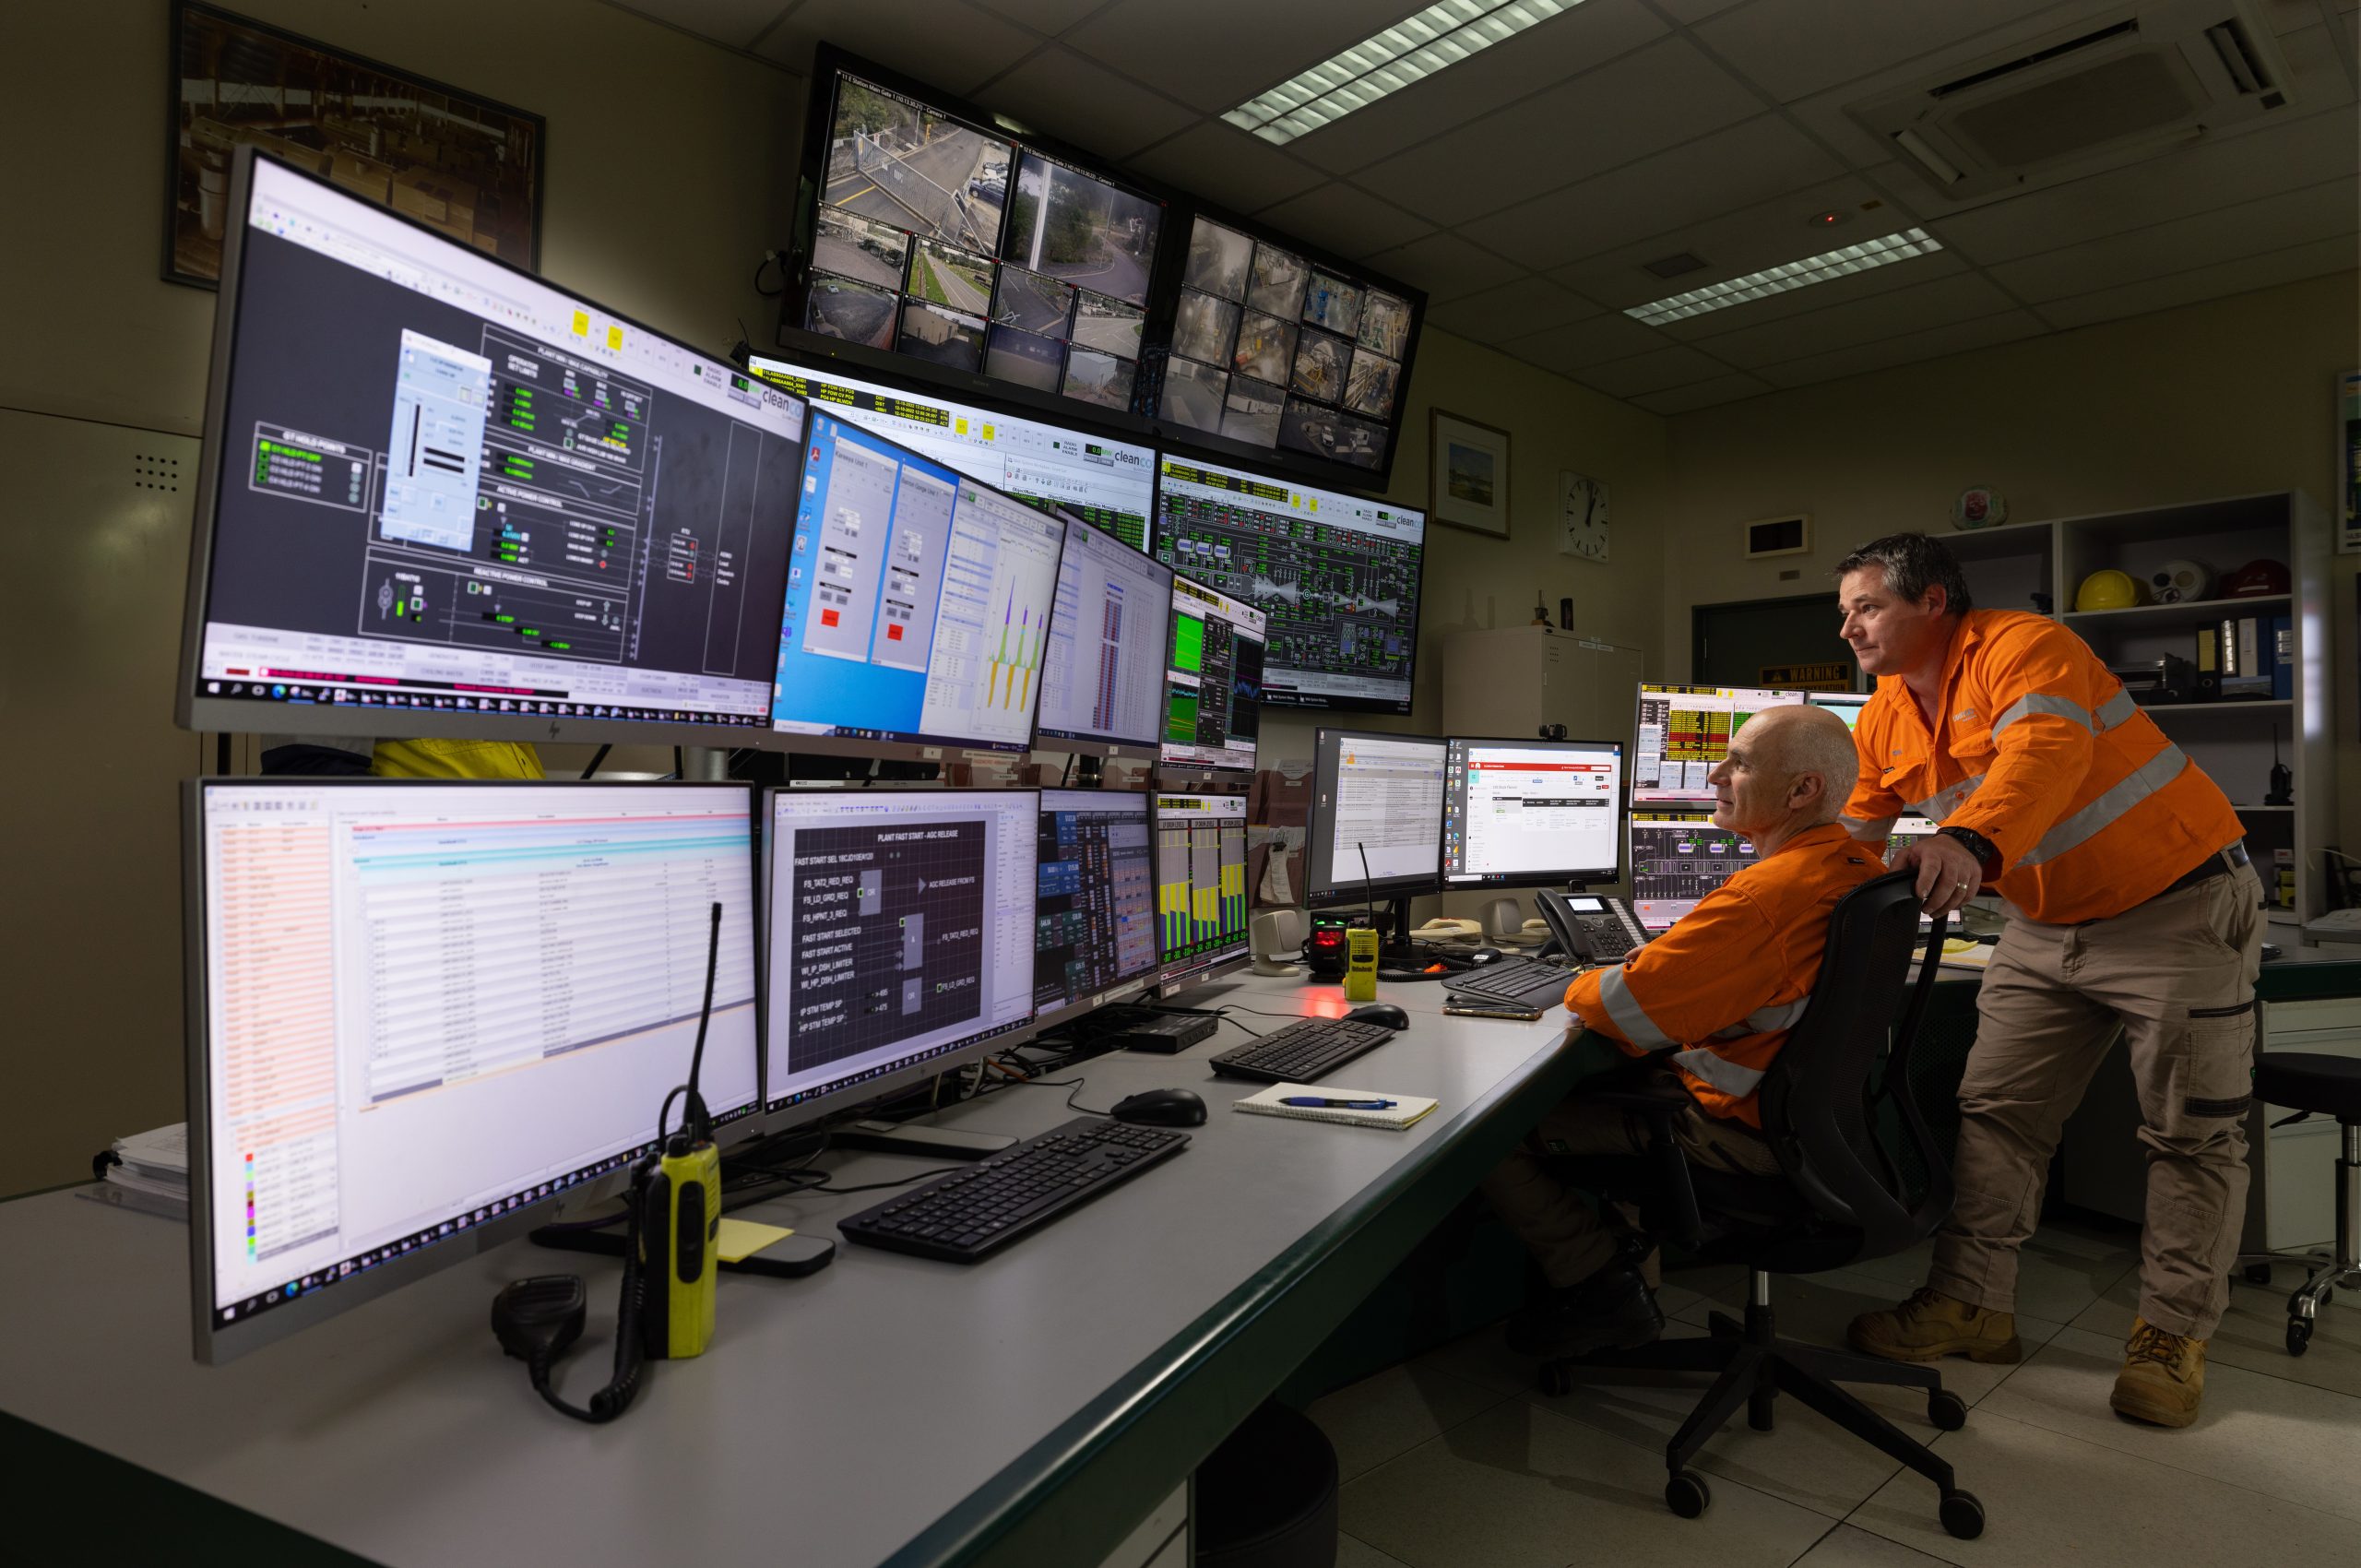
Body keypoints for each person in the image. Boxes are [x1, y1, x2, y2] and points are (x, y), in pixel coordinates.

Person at [1832, 533, 2260, 1429]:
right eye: (1845, 611)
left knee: (2189, 1134)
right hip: (2044, 921)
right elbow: (1846, 848)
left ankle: (2170, 1336)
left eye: (1865, 606)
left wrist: (1969, 842)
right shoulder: (1879, 715)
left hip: (2176, 900)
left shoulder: (2025, 646)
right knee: (1996, 1113)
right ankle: (1973, 1304)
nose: (1849, 627)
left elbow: (2042, 756)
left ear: (1933, 603)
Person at [1482, 705, 1883, 1357]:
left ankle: (1603, 1290)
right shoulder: (1857, 868)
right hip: (1817, 1136)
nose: (1717, 775)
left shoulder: (1766, 897)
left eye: (1741, 763)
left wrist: (1591, 976)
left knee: (1491, 1132)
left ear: (1802, 791)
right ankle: (1632, 1283)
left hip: (1740, 1136)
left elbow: (1622, 1009)